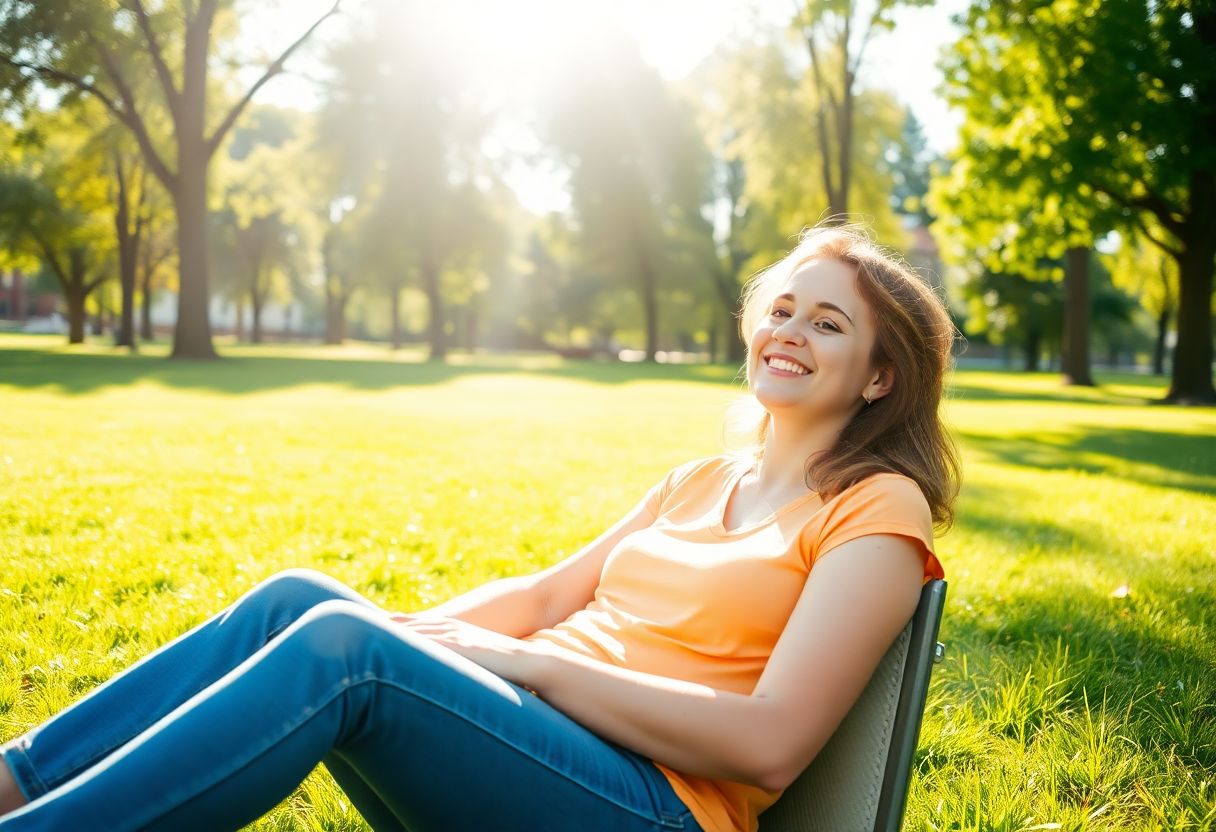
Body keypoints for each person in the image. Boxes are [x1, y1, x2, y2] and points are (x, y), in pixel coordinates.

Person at [0, 223, 959, 832]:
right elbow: (547, 597)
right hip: (544, 742)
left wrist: (533, 666)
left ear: (880, 377)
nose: (790, 330)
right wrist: (412, 641)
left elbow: (770, 744)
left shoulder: (877, 507)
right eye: (781, 309)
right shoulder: (700, 478)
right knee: (301, 605)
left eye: (829, 325)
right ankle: (15, 784)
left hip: (655, 805)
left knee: (341, 648)